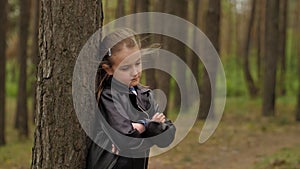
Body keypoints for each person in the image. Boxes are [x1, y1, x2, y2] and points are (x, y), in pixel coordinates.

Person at [86, 28, 176, 169]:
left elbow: (167, 134)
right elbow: (126, 141)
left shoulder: (145, 94)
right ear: (109, 69)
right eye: (125, 68)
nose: (135, 72)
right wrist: (149, 125)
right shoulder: (109, 96)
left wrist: (141, 127)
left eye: (138, 63)